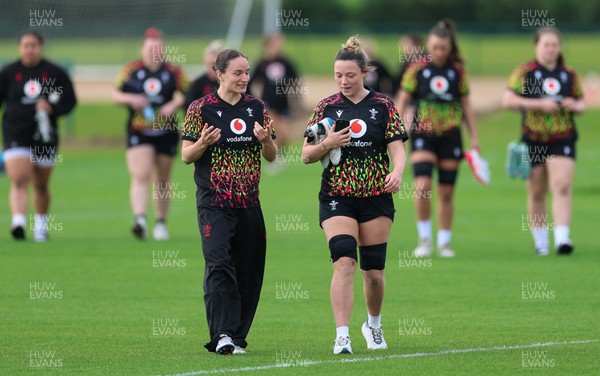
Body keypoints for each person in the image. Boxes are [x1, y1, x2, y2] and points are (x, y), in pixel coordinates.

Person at [302, 36, 408, 355]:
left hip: (376, 196)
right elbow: (306, 154)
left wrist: (398, 172)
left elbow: (397, 148)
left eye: (350, 75)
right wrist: (328, 143)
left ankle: (372, 325)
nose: (344, 81)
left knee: (373, 273)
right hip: (337, 196)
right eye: (338, 75)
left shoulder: (382, 106)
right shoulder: (327, 107)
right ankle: (342, 335)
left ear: (364, 73)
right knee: (345, 262)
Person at [181, 49, 276, 355]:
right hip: (214, 203)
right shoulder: (201, 108)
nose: (244, 78)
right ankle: (221, 334)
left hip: (249, 203)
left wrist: (266, 141)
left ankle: (236, 336)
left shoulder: (256, 107)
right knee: (219, 263)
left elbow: (271, 157)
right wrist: (202, 143)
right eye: (237, 73)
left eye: (247, 72)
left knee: (249, 270)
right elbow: (186, 156)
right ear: (219, 74)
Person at [396, 19, 480, 258]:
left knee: (446, 192)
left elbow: (467, 106)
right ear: (428, 45)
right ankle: (424, 239)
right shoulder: (417, 70)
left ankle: (444, 241)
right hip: (424, 134)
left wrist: (474, 137)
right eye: (434, 47)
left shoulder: (457, 72)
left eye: (443, 48)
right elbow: (402, 100)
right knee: (422, 186)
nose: (439, 52)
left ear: (450, 47)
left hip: (451, 136)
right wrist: (395, 130)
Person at [503, 27, 585, 255]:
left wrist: (573, 105)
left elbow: (582, 103)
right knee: (537, 191)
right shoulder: (525, 72)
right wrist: (540, 104)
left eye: (554, 45)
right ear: (536, 46)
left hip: (563, 136)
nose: (551, 49)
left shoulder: (568, 74)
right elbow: (508, 100)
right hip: (533, 138)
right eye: (546, 45)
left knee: (561, 185)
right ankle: (541, 242)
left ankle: (562, 239)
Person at [0, 30, 76, 241]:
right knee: (19, 179)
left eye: (33, 45)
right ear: (19, 47)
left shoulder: (54, 73)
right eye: (25, 45)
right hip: (15, 132)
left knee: (41, 184)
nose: (30, 49)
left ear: (40, 47)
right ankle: (18, 223)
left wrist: (52, 108)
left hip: (44, 136)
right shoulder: (8, 73)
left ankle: (40, 227)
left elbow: (70, 101)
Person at [113, 28, 188, 240]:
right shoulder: (131, 70)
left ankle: (161, 222)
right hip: (139, 130)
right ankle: (140, 219)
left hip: (167, 130)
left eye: (158, 47)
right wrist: (131, 100)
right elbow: (115, 94)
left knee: (163, 179)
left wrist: (173, 104)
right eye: (150, 47)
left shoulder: (173, 72)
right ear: (142, 49)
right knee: (140, 174)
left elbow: (189, 93)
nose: (154, 51)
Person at [248, 33, 299, 162]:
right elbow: (252, 82)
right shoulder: (262, 63)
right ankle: (274, 157)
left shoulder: (286, 62)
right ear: (268, 46)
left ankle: (278, 155)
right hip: (268, 102)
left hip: (283, 102)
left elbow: (295, 81)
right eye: (275, 44)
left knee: (286, 133)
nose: (278, 47)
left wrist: (296, 99)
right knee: (276, 129)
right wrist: (255, 101)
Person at [184, 39, 222, 110]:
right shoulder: (198, 83)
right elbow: (188, 106)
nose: (212, 68)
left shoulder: (227, 82)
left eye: (214, 64)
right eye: (209, 64)